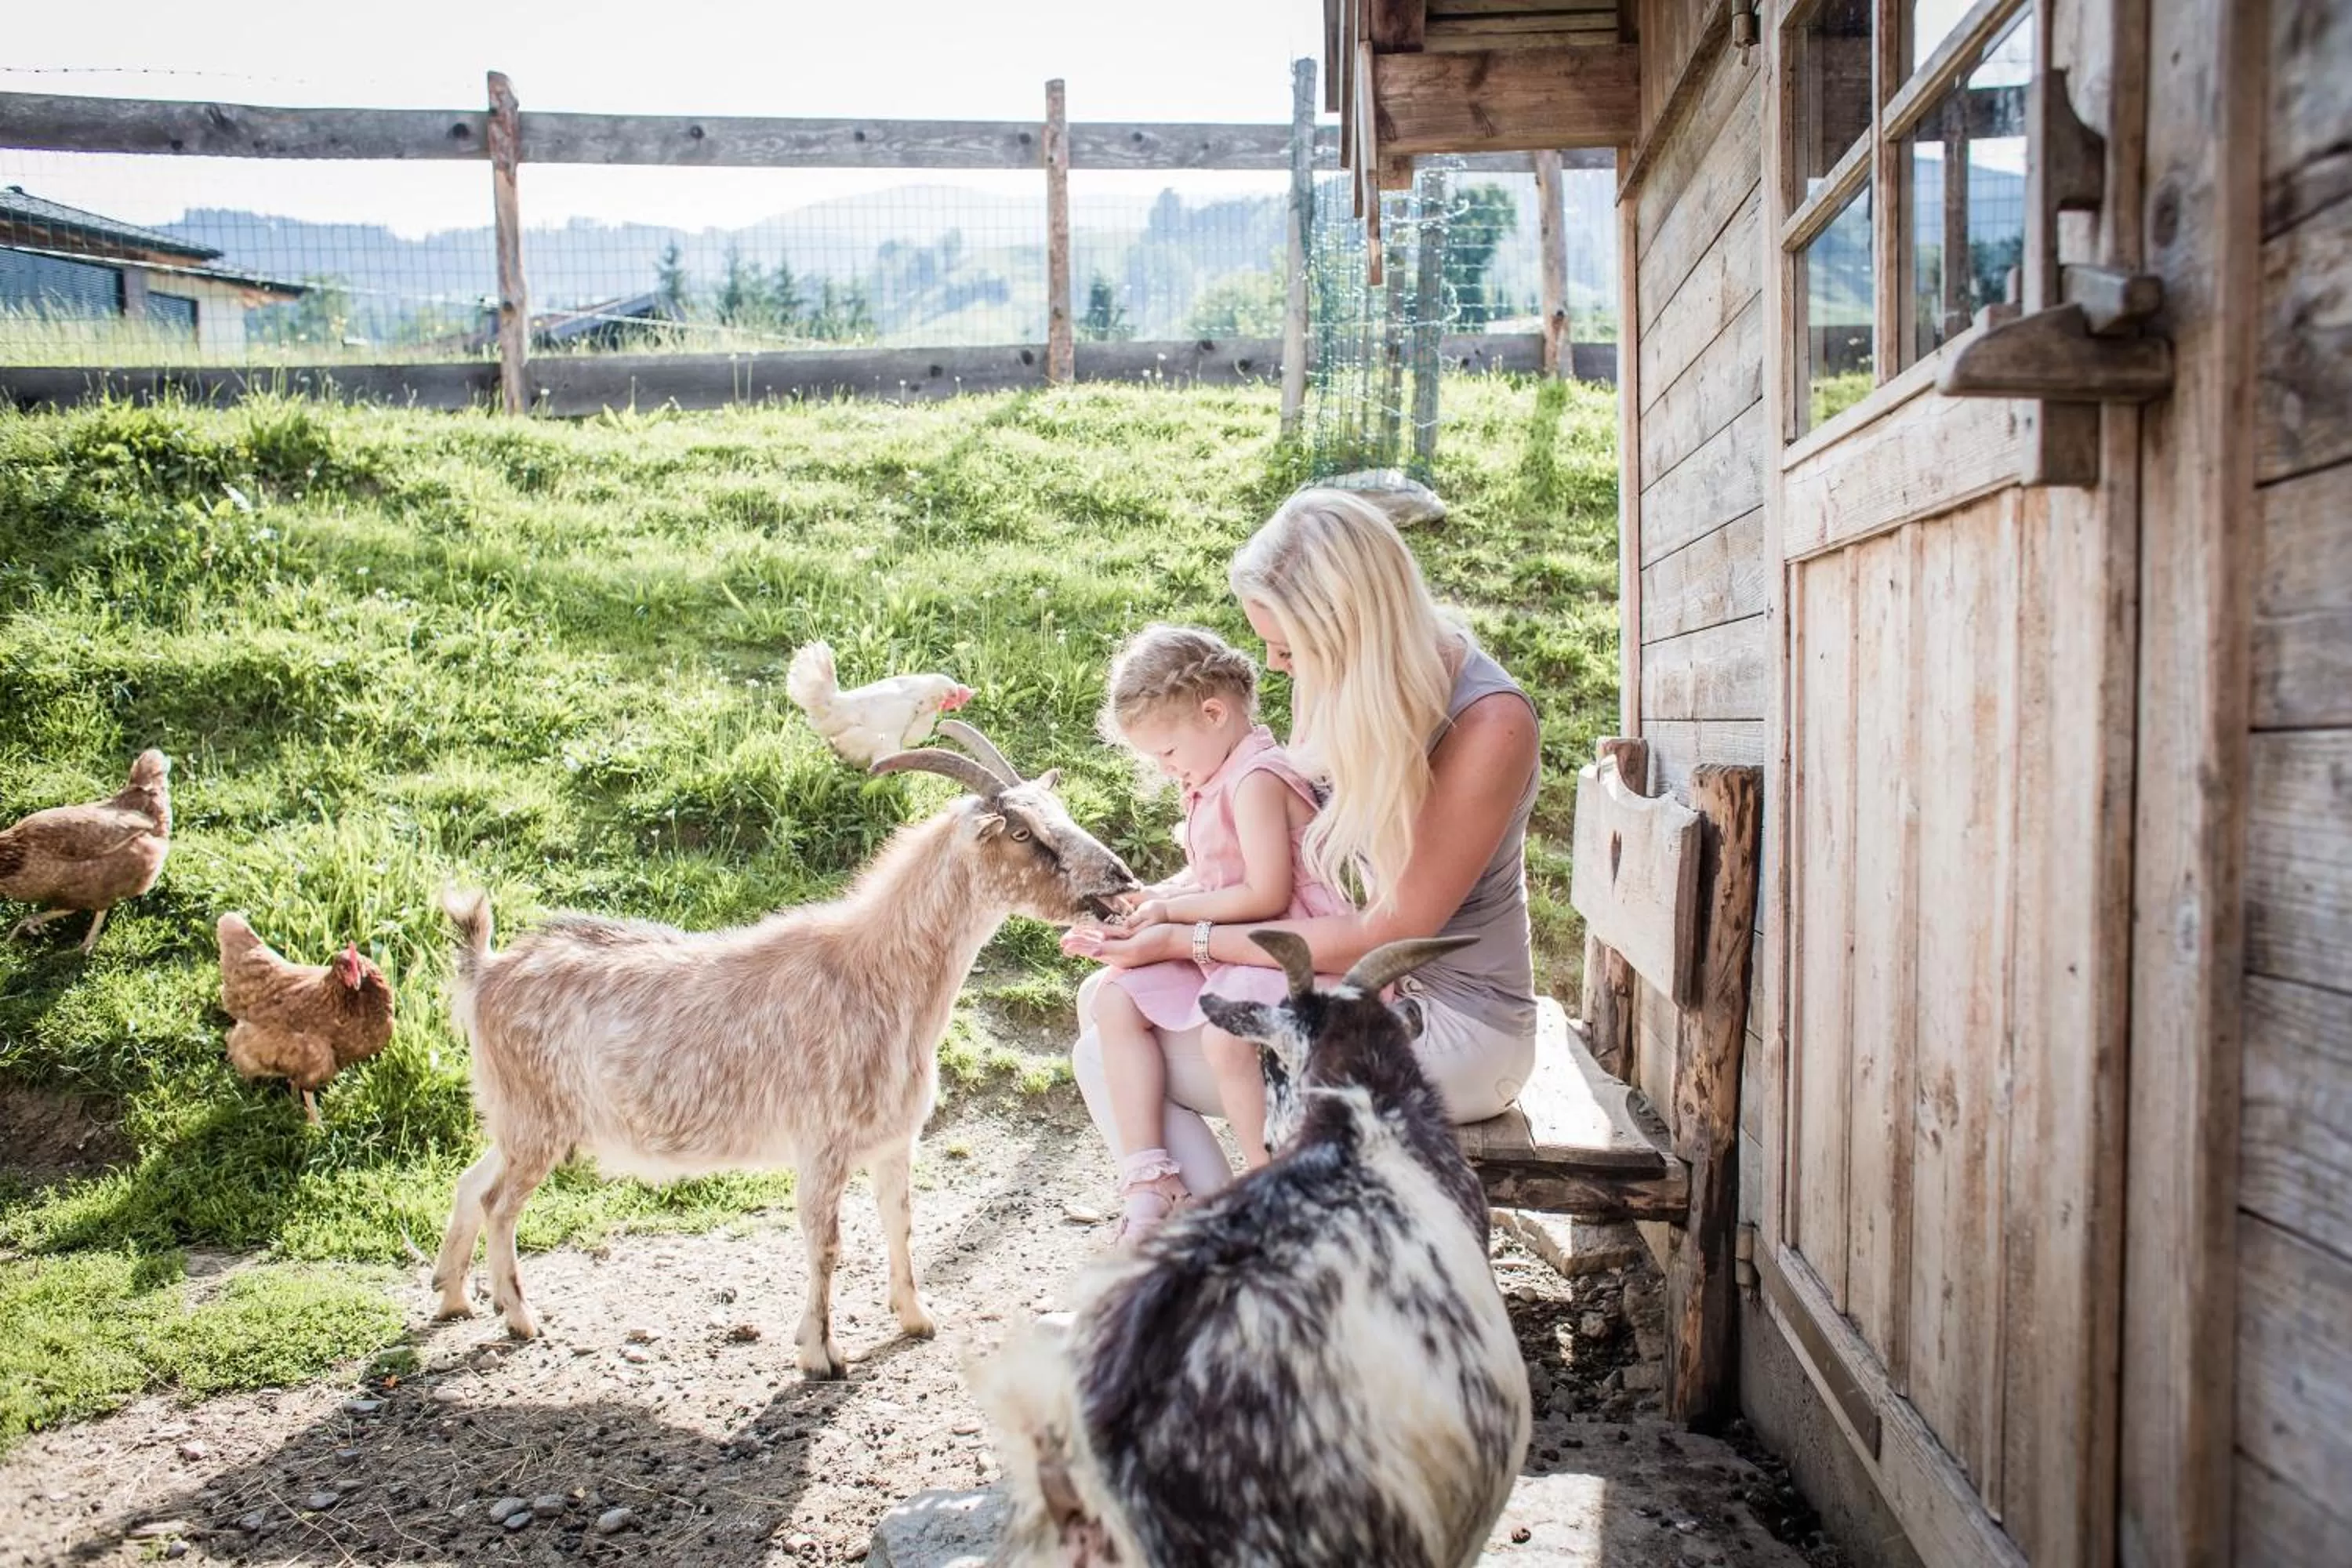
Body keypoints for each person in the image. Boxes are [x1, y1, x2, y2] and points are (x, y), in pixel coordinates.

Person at [1068, 487, 1543, 1203]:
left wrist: (1186, 939)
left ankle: (1237, 1243)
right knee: (1107, 996)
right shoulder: (1339, 682)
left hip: (1451, 1024)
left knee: (1107, 1049)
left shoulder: (1489, 724)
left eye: (1287, 646)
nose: (1277, 666)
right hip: (1345, 989)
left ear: (1348, 626)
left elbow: (1390, 933)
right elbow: (1291, 864)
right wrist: (1162, 905)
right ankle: (1230, 1237)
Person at [1062, 624, 1351, 1242]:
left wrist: (1171, 916)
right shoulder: (1217, 775)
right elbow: (1217, 873)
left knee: (1226, 1038)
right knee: (1113, 996)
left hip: (1290, 945)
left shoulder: (1256, 779)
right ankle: (1150, 1174)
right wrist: (1156, 899)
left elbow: (1267, 893)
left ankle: (1262, 1181)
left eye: (1166, 752)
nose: (1166, 770)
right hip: (1241, 940)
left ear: (1213, 713)